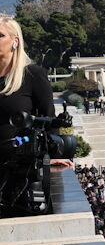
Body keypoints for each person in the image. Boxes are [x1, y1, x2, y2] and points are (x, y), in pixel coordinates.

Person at [0, 16, 72, 216]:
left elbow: (49, 119)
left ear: (15, 41)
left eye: (0, 35)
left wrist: (51, 157)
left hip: (21, 173)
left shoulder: (33, 75)